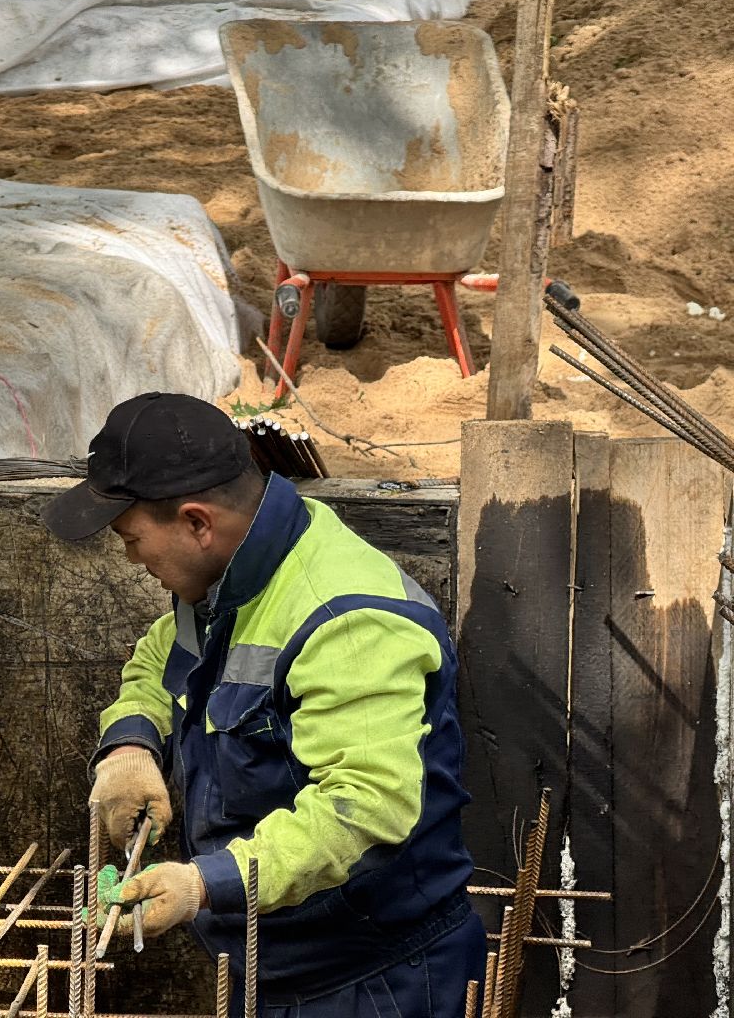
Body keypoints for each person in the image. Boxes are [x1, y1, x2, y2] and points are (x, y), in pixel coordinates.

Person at [41, 392, 484, 1017]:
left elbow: (364, 808)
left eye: (132, 537)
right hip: (272, 957)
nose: (131, 557)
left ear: (197, 522)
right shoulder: (233, 579)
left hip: (372, 979)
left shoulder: (347, 620)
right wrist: (131, 746)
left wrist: (205, 883)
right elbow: (157, 660)